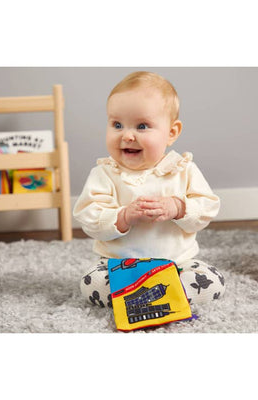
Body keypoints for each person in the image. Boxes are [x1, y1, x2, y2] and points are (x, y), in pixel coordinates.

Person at [73, 71, 225, 308]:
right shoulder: (105, 174)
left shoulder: (183, 169)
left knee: (213, 281)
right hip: (120, 266)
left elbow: (206, 208)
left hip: (177, 263)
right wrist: (123, 216)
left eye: (142, 126)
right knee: (91, 283)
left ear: (171, 133)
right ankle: (158, 298)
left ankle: (143, 298)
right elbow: (89, 217)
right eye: (117, 125)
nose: (127, 135)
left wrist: (178, 207)